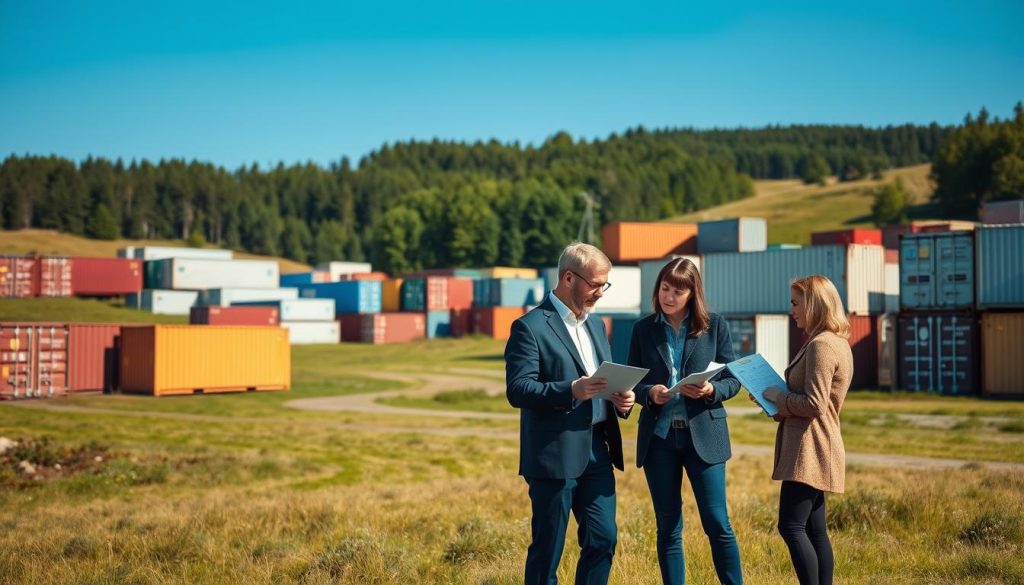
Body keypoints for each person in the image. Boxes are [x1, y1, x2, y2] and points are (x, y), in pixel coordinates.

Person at [505, 242, 635, 585]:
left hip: (597, 451)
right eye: (595, 284)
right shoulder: (529, 327)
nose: (600, 293)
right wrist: (570, 390)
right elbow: (518, 390)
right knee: (548, 549)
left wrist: (619, 400)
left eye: (604, 285)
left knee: (603, 539)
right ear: (568, 278)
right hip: (553, 455)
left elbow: (601, 381)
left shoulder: (597, 326)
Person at [626, 257, 744, 585]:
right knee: (668, 526)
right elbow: (632, 380)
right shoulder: (642, 329)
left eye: (677, 291)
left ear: (692, 293)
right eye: (665, 288)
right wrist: (650, 393)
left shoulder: (715, 326)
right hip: (660, 438)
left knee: (717, 523)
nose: (669, 296)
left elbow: (733, 379)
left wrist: (710, 389)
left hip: (704, 435)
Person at [761, 274, 853, 585]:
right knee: (814, 530)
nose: (792, 310)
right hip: (816, 443)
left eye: (795, 303)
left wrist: (779, 397)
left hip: (811, 448)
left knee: (791, 527)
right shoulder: (833, 341)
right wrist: (780, 406)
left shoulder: (823, 345)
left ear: (813, 304)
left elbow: (814, 404)